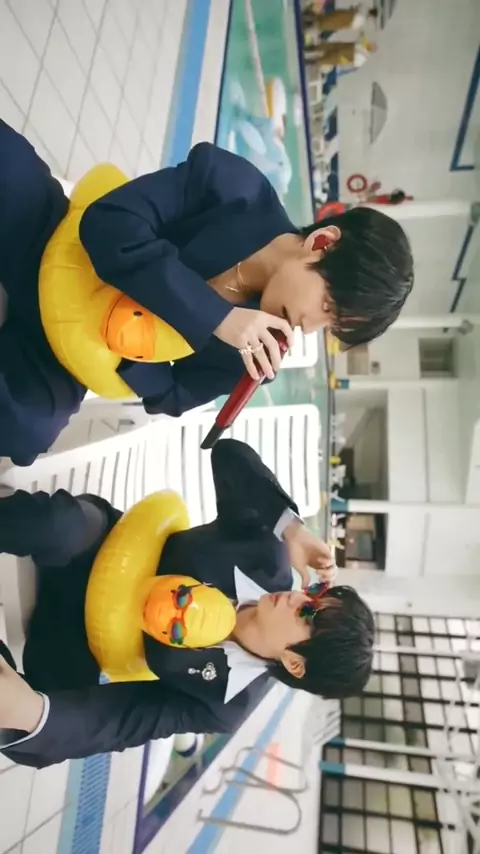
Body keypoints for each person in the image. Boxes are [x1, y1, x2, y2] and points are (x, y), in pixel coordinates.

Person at [0, 119, 413, 466]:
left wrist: (129, 344)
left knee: (26, 429)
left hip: (67, 348)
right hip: (49, 240)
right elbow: (110, 222)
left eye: (329, 325)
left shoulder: (259, 348)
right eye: (326, 305)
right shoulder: (233, 190)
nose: (309, 327)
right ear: (321, 243)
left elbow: (174, 396)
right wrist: (215, 317)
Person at [0, 438, 374, 769]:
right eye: (313, 597)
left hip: (78, 635)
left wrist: (34, 714)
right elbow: (229, 455)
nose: (298, 597)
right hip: (96, 546)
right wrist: (291, 527)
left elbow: (127, 719)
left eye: (307, 615)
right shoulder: (266, 555)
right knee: (55, 525)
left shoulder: (225, 704)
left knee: (26, 731)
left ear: (294, 663)